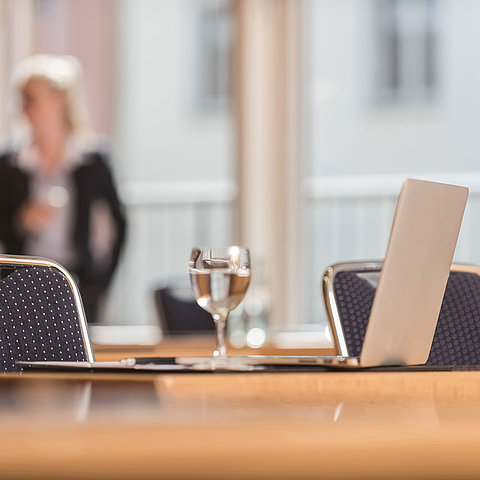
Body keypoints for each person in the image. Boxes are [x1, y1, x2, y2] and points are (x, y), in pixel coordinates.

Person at [0, 54, 126, 324]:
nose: (25, 108)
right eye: (22, 99)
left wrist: (99, 286)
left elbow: (118, 226)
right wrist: (21, 221)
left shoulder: (92, 161)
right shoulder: (8, 164)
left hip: (77, 284)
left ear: (60, 101)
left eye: (32, 98)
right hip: (21, 286)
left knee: (74, 363)